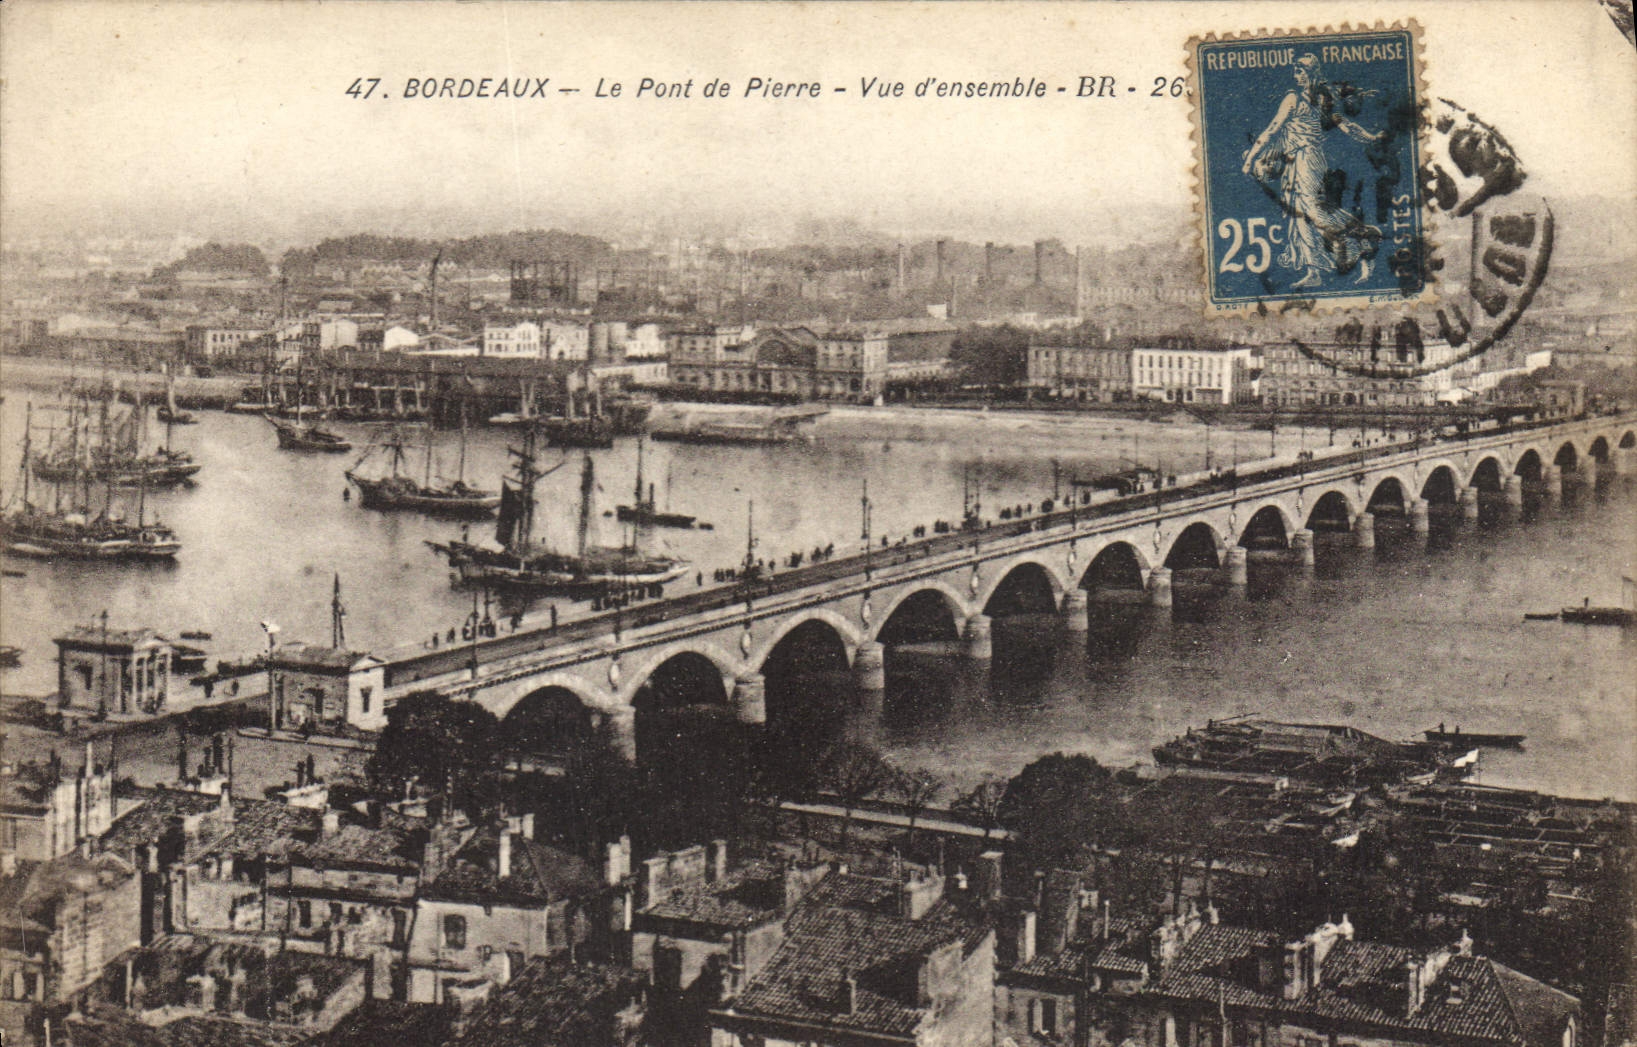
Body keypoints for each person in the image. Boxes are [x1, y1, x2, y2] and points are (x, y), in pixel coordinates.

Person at [1242, 54, 1385, 289]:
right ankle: (1314, 270)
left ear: (1312, 73)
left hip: (1308, 160)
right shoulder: (1303, 99)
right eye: (1295, 71)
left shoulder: (1312, 100)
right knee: (1300, 215)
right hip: (1294, 161)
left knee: (1313, 211)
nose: (1296, 76)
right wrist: (1253, 157)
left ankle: (1363, 237)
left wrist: (1370, 138)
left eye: (1301, 71)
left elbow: (1344, 125)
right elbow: (1274, 130)